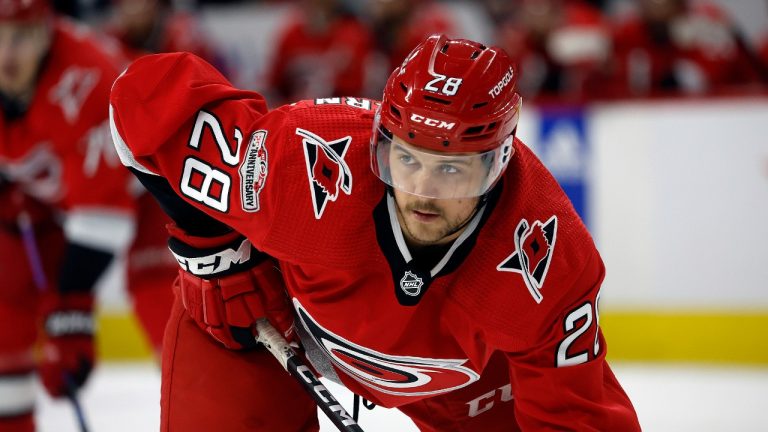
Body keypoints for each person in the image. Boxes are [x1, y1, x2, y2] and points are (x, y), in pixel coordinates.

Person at [110, 34, 641, 431]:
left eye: (454, 170)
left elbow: (578, 418)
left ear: (500, 162)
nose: (424, 192)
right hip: (264, 323)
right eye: (405, 160)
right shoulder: (303, 165)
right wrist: (218, 254)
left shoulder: (544, 264)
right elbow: (139, 97)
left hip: (457, 372)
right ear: (379, 143)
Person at [0, 2, 169, 430]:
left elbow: (101, 219)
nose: (6, 55)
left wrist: (70, 311)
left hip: (152, 191)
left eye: (20, 36)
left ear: (46, 30)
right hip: (45, 199)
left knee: (169, 308)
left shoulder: (89, 76)